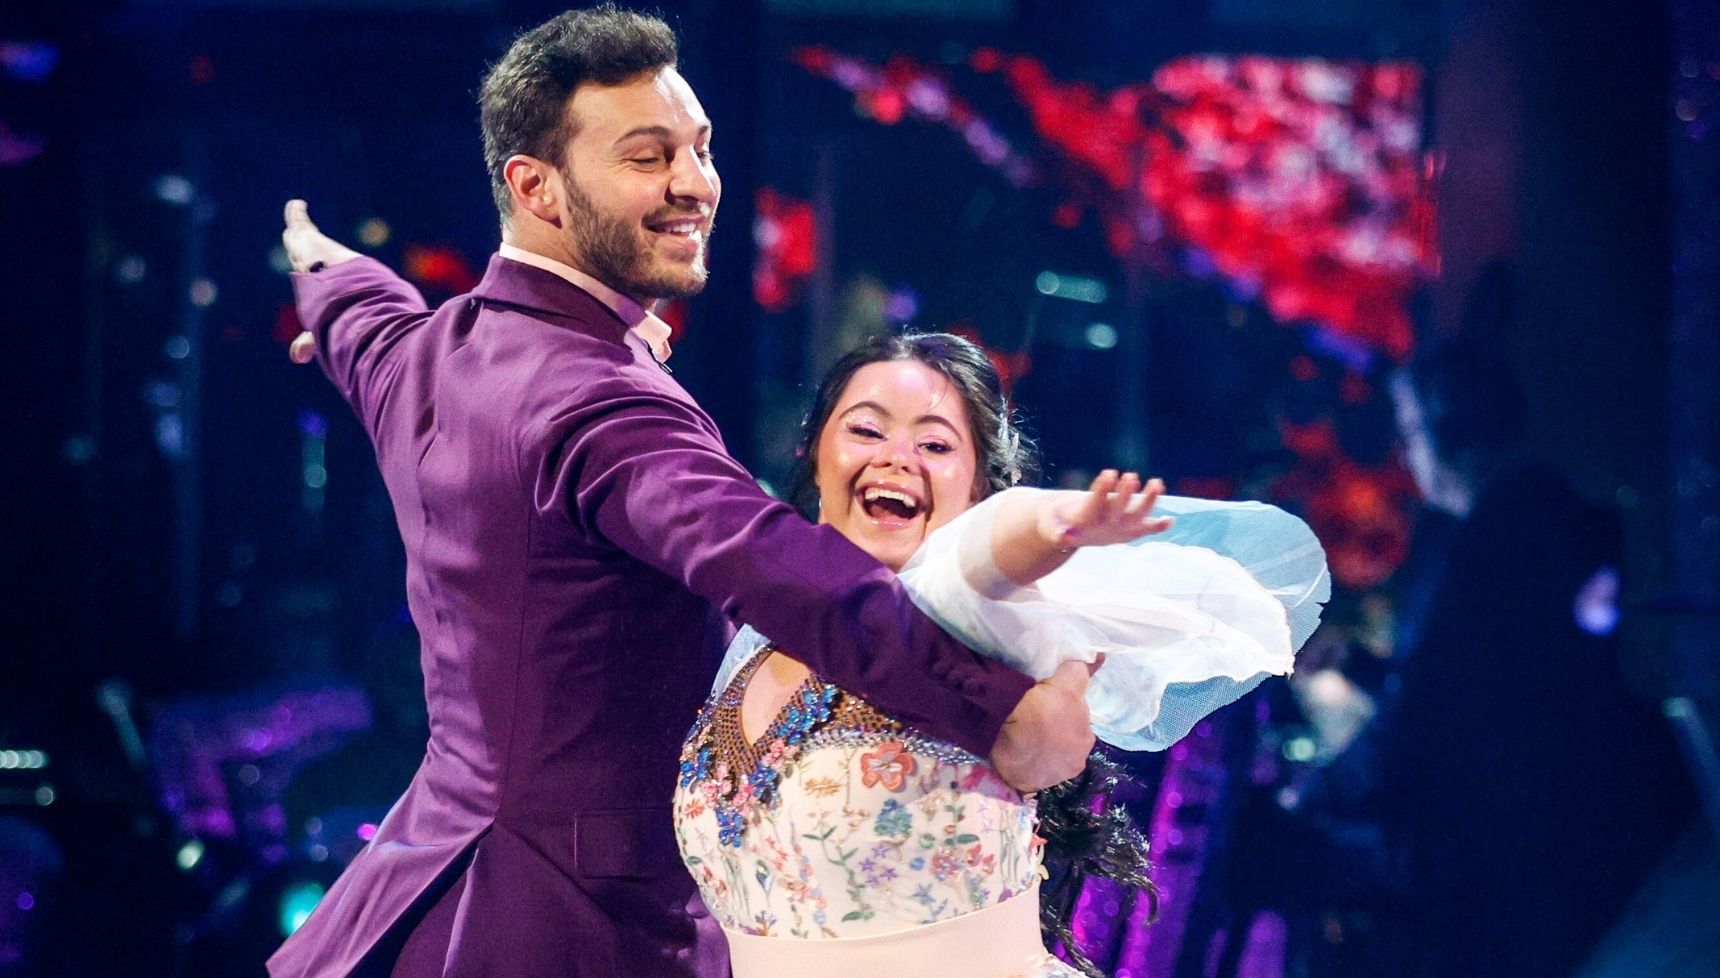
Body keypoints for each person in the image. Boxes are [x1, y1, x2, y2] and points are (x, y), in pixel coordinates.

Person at [268, 8, 1097, 977]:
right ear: (535, 186)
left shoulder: (430, 356)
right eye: (647, 157)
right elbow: (779, 569)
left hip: (436, 894)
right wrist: (1000, 711)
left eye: (699, 149)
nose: (694, 184)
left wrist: (325, 275)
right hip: (572, 931)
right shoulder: (599, 403)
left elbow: (367, 325)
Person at [672, 332, 1330, 977]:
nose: (898, 457)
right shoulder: (754, 640)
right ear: (814, 453)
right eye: (867, 431)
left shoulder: (956, 613)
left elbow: (988, 550)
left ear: (978, 490)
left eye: (934, 444)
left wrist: (1052, 527)